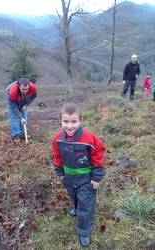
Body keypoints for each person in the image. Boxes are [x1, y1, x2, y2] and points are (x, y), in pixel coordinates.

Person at [52, 102, 105, 247]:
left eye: (74, 121)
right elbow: (57, 157)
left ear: (81, 120)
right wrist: (60, 172)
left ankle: (83, 230)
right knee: (74, 197)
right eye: (66, 121)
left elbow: (98, 155)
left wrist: (97, 177)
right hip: (69, 178)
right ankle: (76, 209)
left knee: (86, 204)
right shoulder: (58, 139)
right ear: (60, 121)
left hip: (86, 178)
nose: (69, 126)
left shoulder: (89, 138)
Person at [6, 78, 37, 144]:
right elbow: (14, 108)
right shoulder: (13, 92)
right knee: (15, 118)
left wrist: (26, 105)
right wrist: (21, 117)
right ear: (19, 87)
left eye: (27, 89)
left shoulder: (32, 87)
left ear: (29, 86)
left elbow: (34, 96)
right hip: (13, 101)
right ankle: (16, 136)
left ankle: (23, 135)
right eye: (23, 89)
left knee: (24, 117)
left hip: (24, 101)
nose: (25, 91)